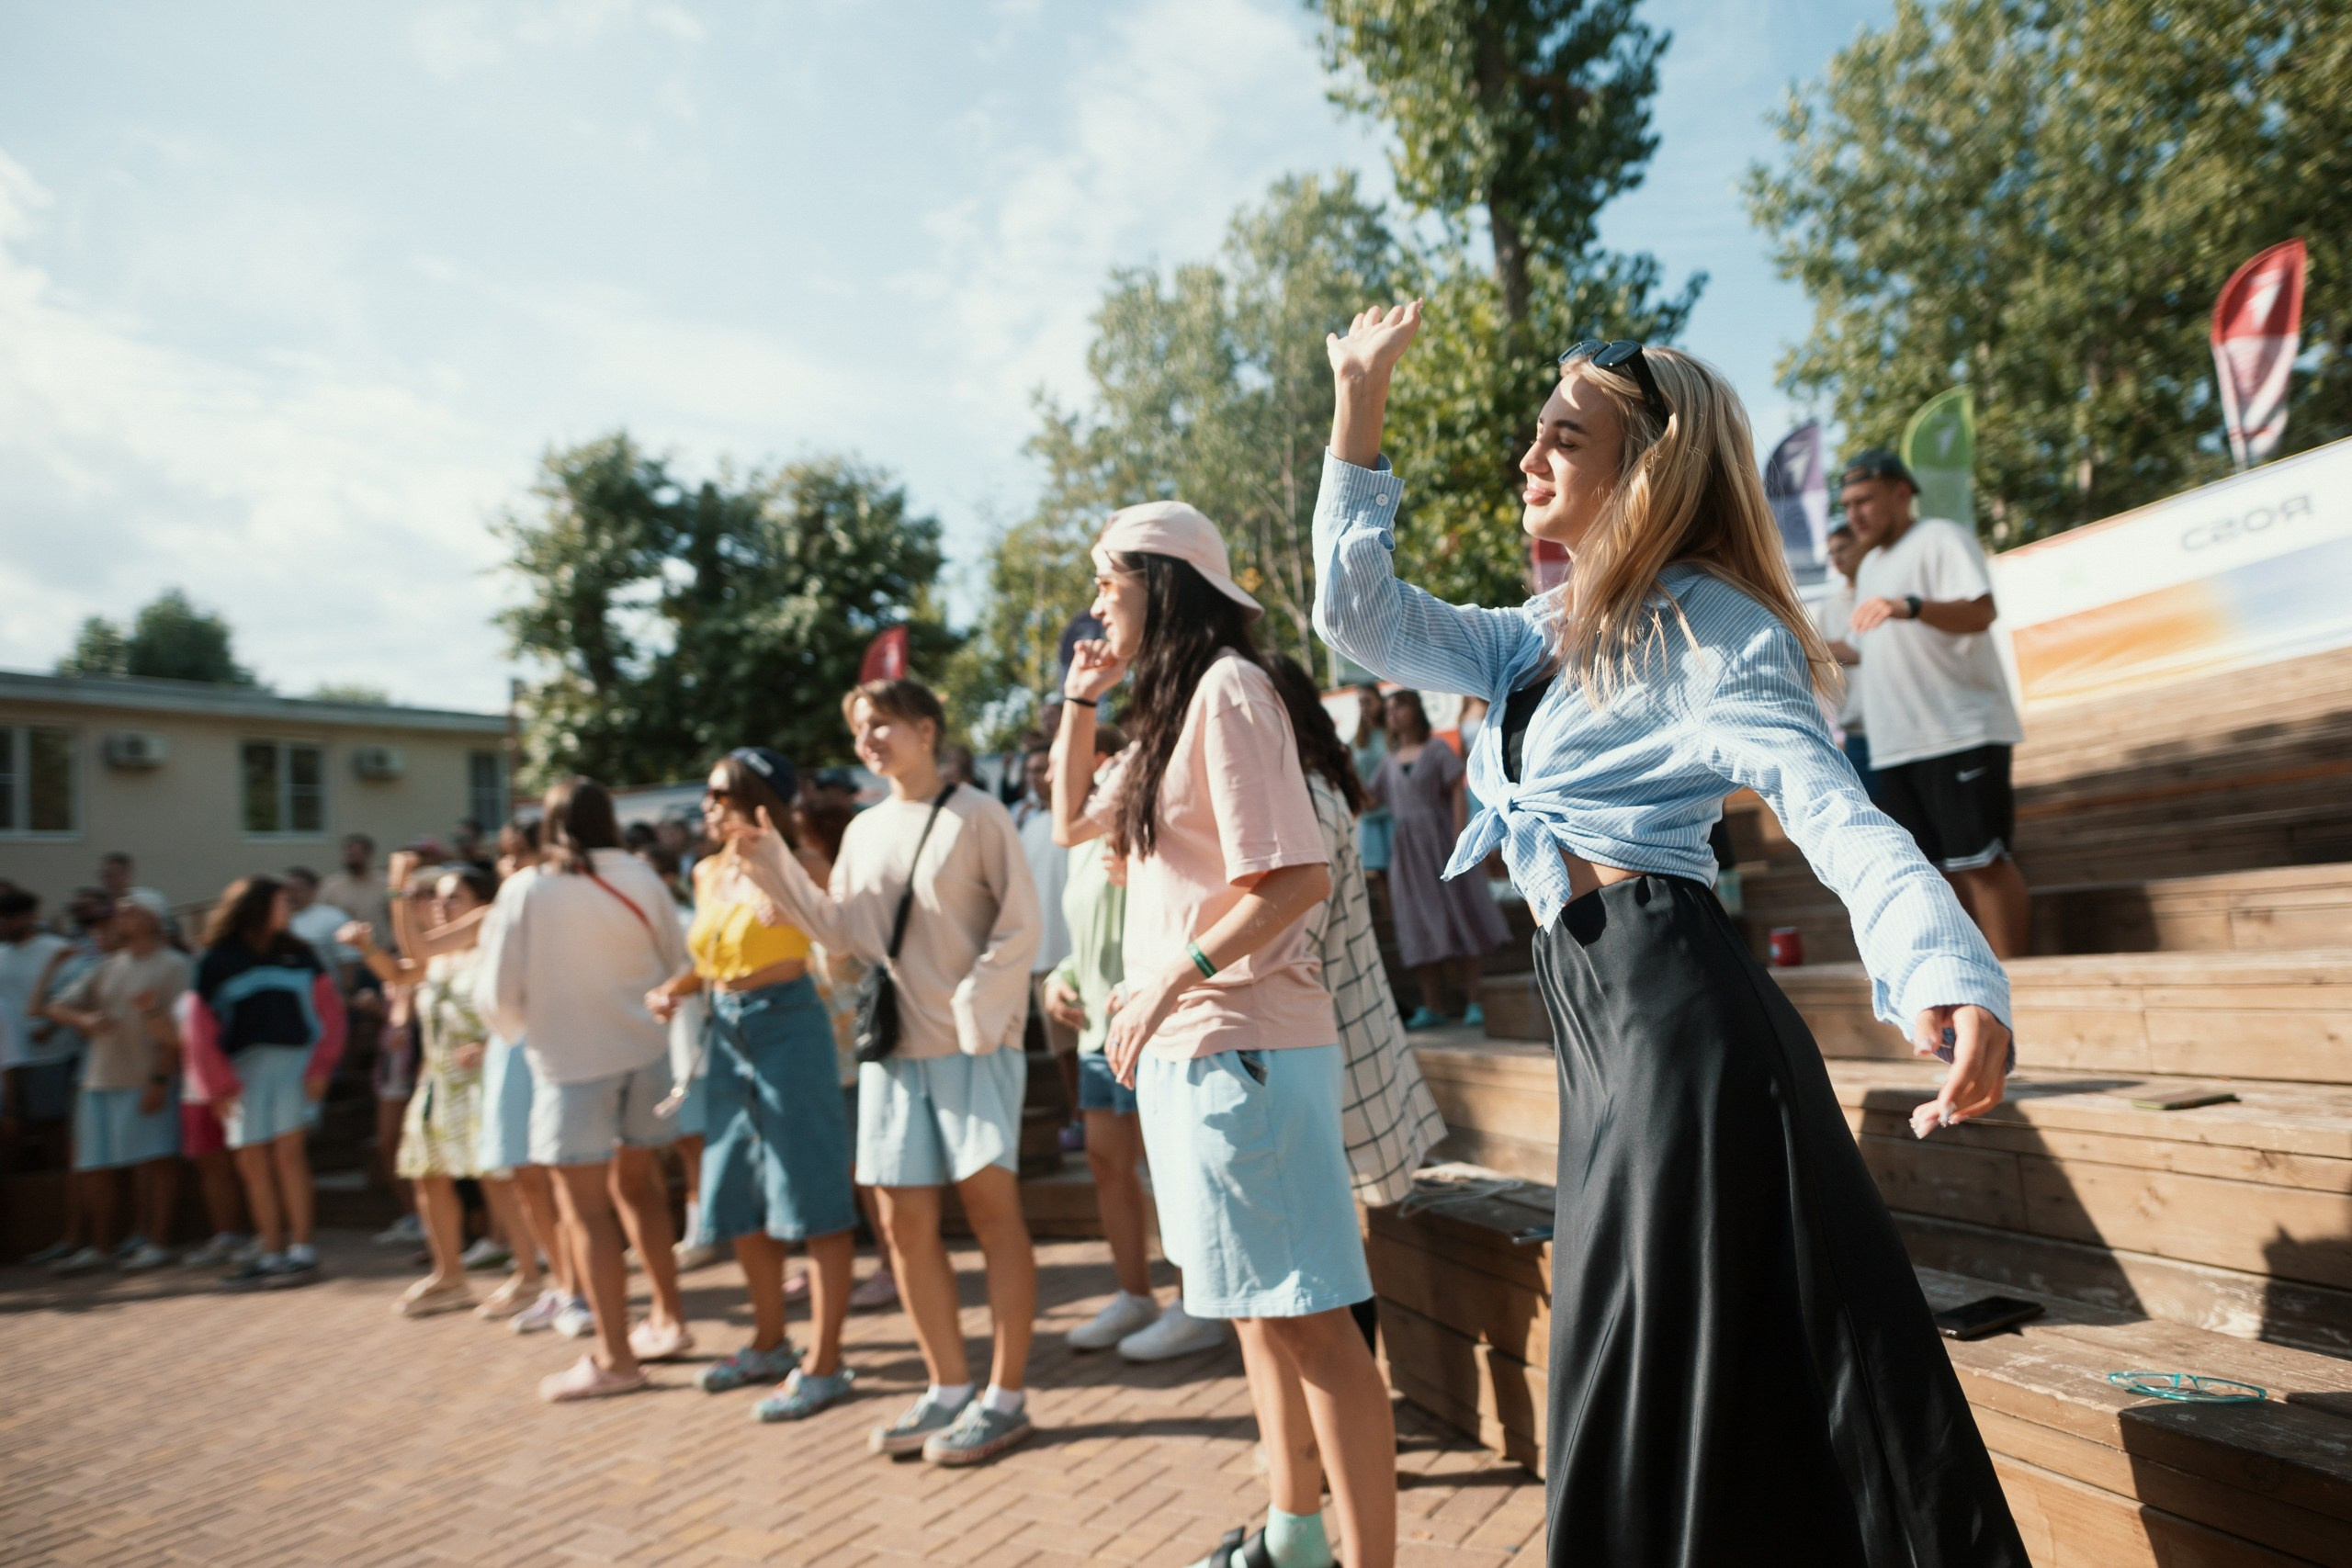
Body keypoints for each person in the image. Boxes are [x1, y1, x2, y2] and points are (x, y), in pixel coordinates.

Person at [1313, 301, 2023, 1565]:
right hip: (1604, 1026)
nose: (1529, 458)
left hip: (1676, 1024)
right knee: (1666, 1387)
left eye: (1563, 438)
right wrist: (1357, 407)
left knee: (1648, 1387)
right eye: (1535, 433)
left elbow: (1831, 807)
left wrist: (1943, 966)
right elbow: (1358, 617)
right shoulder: (1534, 637)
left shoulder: (1713, 629)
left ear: (1645, 467)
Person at [1052, 504, 1395, 1568]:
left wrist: (1168, 975)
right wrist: (1080, 699)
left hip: (1240, 1045)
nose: (1094, 605)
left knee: (1312, 1323)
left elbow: (1295, 879)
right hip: (1197, 1050)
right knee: (1260, 1313)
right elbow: (1068, 821)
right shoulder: (1169, 711)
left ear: (1161, 581)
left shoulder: (1229, 690)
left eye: (1108, 581)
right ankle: (1295, 1542)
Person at [734, 677, 1043, 1466]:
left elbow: (1021, 924)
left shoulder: (980, 814)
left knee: (992, 1214)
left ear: (926, 728)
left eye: (883, 723)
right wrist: (775, 870)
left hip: (973, 1046)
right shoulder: (866, 829)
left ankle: (1006, 1396)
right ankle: (947, 1386)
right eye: (860, 728)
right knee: (902, 1224)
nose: (869, 738)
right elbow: (841, 934)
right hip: (895, 1051)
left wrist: (978, 1006)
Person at [648, 748, 862, 1422]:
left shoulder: (803, 864)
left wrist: (793, 899)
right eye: (708, 794)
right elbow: (714, 956)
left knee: (813, 1192)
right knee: (737, 1189)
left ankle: (825, 1363)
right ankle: (769, 1343)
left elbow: (845, 945)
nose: (708, 806)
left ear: (757, 798)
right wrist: (677, 987)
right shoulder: (707, 870)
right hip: (726, 1030)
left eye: (720, 794)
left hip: (790, 1024)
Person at [479, 777, 695, 1402]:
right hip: (645, 1053)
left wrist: (526, 1030)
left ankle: (616, 1356)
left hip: (571, 1064)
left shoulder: (528, 888)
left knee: (585, 1212)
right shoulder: (642, 875)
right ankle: (668, 1319)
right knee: (642, 1190)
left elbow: (498, 993)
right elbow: (677, 959)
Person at [1264, 656, 1445, 1222]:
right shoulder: (1308, 787)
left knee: (1343, 1224)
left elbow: (1296, 935)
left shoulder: (1305, 796)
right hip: (1342, 1029)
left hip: (1338, 1032)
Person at [1841, 447, 2030, 957]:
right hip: (1896, 746)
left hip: (1957, 733)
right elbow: (1859, 649)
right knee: (1937, 874)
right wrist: (1791, 643)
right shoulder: (1870, 566)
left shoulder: (1942, 537)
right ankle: (1975, 980)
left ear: (1902, 493)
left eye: (1865, 500)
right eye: (1848, 505)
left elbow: (1980, 612)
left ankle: (2019, 982)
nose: (1855, 515)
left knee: (1981, 864)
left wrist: (1911, 606)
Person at [344, 863, 548, 1319]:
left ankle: (529, 1276)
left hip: (486, 1079)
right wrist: (367, 949)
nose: (440, 905)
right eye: (436, 896)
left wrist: (398, 890)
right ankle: (449, 1274)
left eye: (453, 897)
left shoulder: (492, 933)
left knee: (499, 1179)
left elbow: (524, 1005)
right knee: (428, 1174)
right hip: (439, 1082)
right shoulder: (442, 955)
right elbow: (401, 974)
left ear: (480, 902)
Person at [184, 876, 345, 1288]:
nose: (290, 909)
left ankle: (302, 1251)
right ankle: (272, 1253)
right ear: (257, 907)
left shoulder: (301, 952)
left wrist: (321, 1068)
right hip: (239, 1075)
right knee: (253, 1165)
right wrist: (217, 1086)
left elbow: (330, 1014)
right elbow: (199, 1028)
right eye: (282, 902)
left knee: (289, 1156)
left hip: (296, 1066)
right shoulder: (215, 959)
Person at [473, 819, 587, 1337]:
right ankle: (559, 1284)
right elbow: (420, 950)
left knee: (562, 1173)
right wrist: (402, 890)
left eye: (520, 852)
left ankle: (581, 1289)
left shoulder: (565, 902)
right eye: (504, 854)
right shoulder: (497, 909)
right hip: (509, 1044)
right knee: (523, 1173)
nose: (510, 864)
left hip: (555, 1043)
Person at [39, 890, 189, 1274]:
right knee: (95, 1167)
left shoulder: (174, 965)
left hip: (145, 1078)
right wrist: (85, 1020)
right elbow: (55, 1006)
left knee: (156, 1162)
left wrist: (160, 1079)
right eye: (118, 912)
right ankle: (101, 1248)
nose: (119, 917)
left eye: (129, 911)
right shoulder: (108, 965)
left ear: (153, 918)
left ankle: (158, 1243)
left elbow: (179, 1031)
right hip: (98, 1079)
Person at [1366, 690, 1509, 1029]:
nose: (1393, 714)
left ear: (1415, 711)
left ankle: (1474, 1001)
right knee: (1415, 921)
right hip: (1408, 854)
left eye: (1399, 706)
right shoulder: (1388, 761)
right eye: (1388, 709)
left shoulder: (1436, 749)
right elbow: (1370, 801)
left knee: (1459, 914)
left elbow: (1457, 788)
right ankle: (1432, 1006)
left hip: (1442, 842)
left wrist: (1458, 838)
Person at [1012, 742, 1082, 1151]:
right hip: (1044, 956)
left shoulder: (1086, 814)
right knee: (1063, 1052)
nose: (1037, 777)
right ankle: (1078, 1119)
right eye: (1030, 770)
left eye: (1043, 767)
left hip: (1088, 951)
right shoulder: (1025, 824)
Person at [1814, 521, 1881, 801]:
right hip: (1858, 731)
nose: (1837, 557)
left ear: (1862, 546)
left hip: (1904, 724)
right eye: (1832, 552)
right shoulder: (1829, 609)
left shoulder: (1884, 596)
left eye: (1843, 548)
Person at [1346, 682, 1394, 908]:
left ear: (1380, 702)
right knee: (1380, 869)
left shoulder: (1391, 734)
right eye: (1360, 703)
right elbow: (1351, 773)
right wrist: (1365, 798)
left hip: (1394, 810)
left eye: (1368, 701)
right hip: (1370, 812)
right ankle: (1389, 913)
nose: (1364, 707)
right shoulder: (1357, 740)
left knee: (1399, 864)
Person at [320, 833, 393, 942]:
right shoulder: (332, 885)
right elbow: (322, 916)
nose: (352, 857)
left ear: (368, 855)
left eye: (356, 854)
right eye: (349, 853)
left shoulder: (386, 883)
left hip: (381, 946)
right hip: (343, 947)